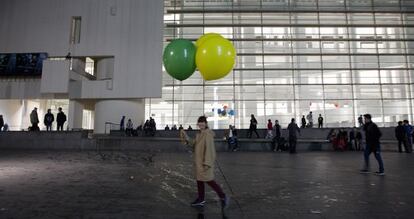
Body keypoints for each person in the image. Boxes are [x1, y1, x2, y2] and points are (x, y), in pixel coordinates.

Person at [181, 116, 229, 208]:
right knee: (200, 181)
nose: (200, 124)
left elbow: (210, 150)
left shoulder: (207, 134)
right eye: (199, 122)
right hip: (199, 163)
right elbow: (193, 143)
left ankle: (223, 196)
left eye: (202, 122)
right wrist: (186, 136)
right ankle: (201, 199)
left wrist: (207, 164)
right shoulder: (200, 134)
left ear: (206, 124)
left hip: (204, 163)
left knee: (210, 181)